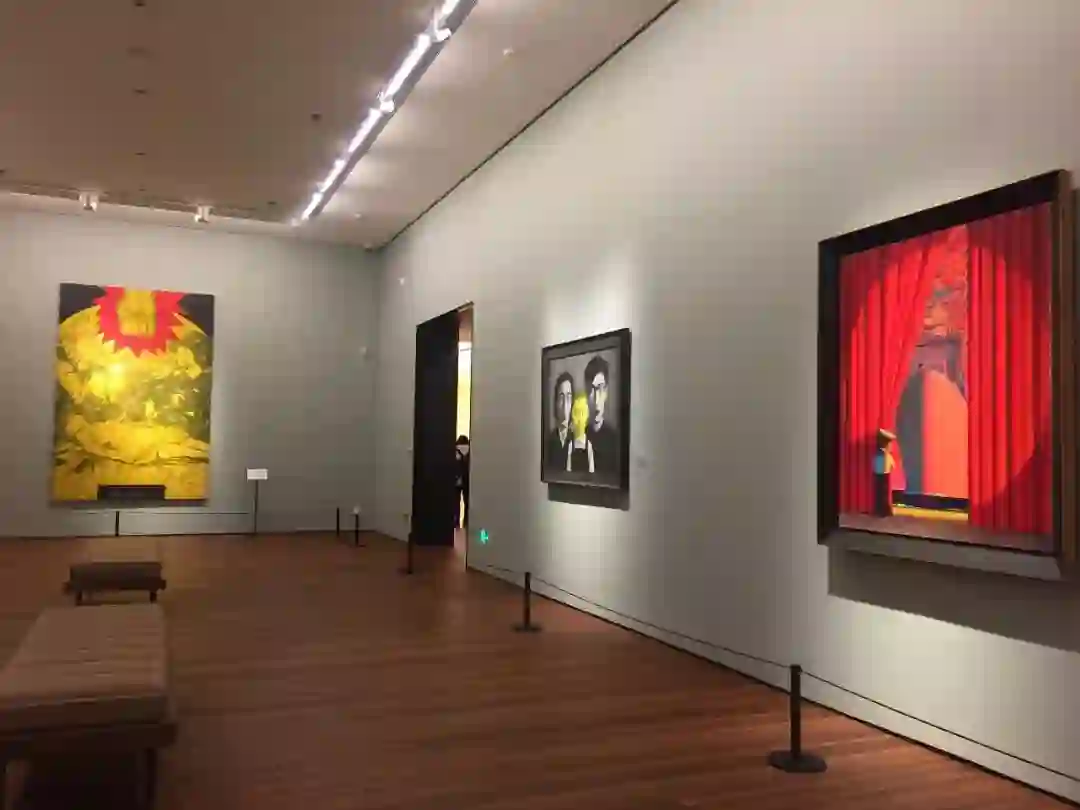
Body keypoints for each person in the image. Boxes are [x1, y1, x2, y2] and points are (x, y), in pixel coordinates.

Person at [584, 354, 618, 475]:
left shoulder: (615, 441)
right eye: (591, 389)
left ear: (606, 391)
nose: (596, 398)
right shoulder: (579, 438)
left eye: (599, 388)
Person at [546, 371, 575, 472]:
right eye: (561, 397)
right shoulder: (548, 442)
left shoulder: (578, 441)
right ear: (556, 402)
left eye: (569, 397)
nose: (565, 404)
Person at [873, 428, 896, 517]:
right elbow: (892, 466)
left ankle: (880, 510)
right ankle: (883, 511)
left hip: (879, 474)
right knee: (883, 494)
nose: (891, 446)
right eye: (889, 443)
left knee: (879, 493)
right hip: (883, 474)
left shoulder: (878, 453)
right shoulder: (884, 454)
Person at [455, 435, 470, 528]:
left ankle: (456, 522)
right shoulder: (471, 452)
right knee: (467, 503)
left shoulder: (455, 451)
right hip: (467, 480)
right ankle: (466, 523)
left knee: (456, 503)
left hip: (457, 480)